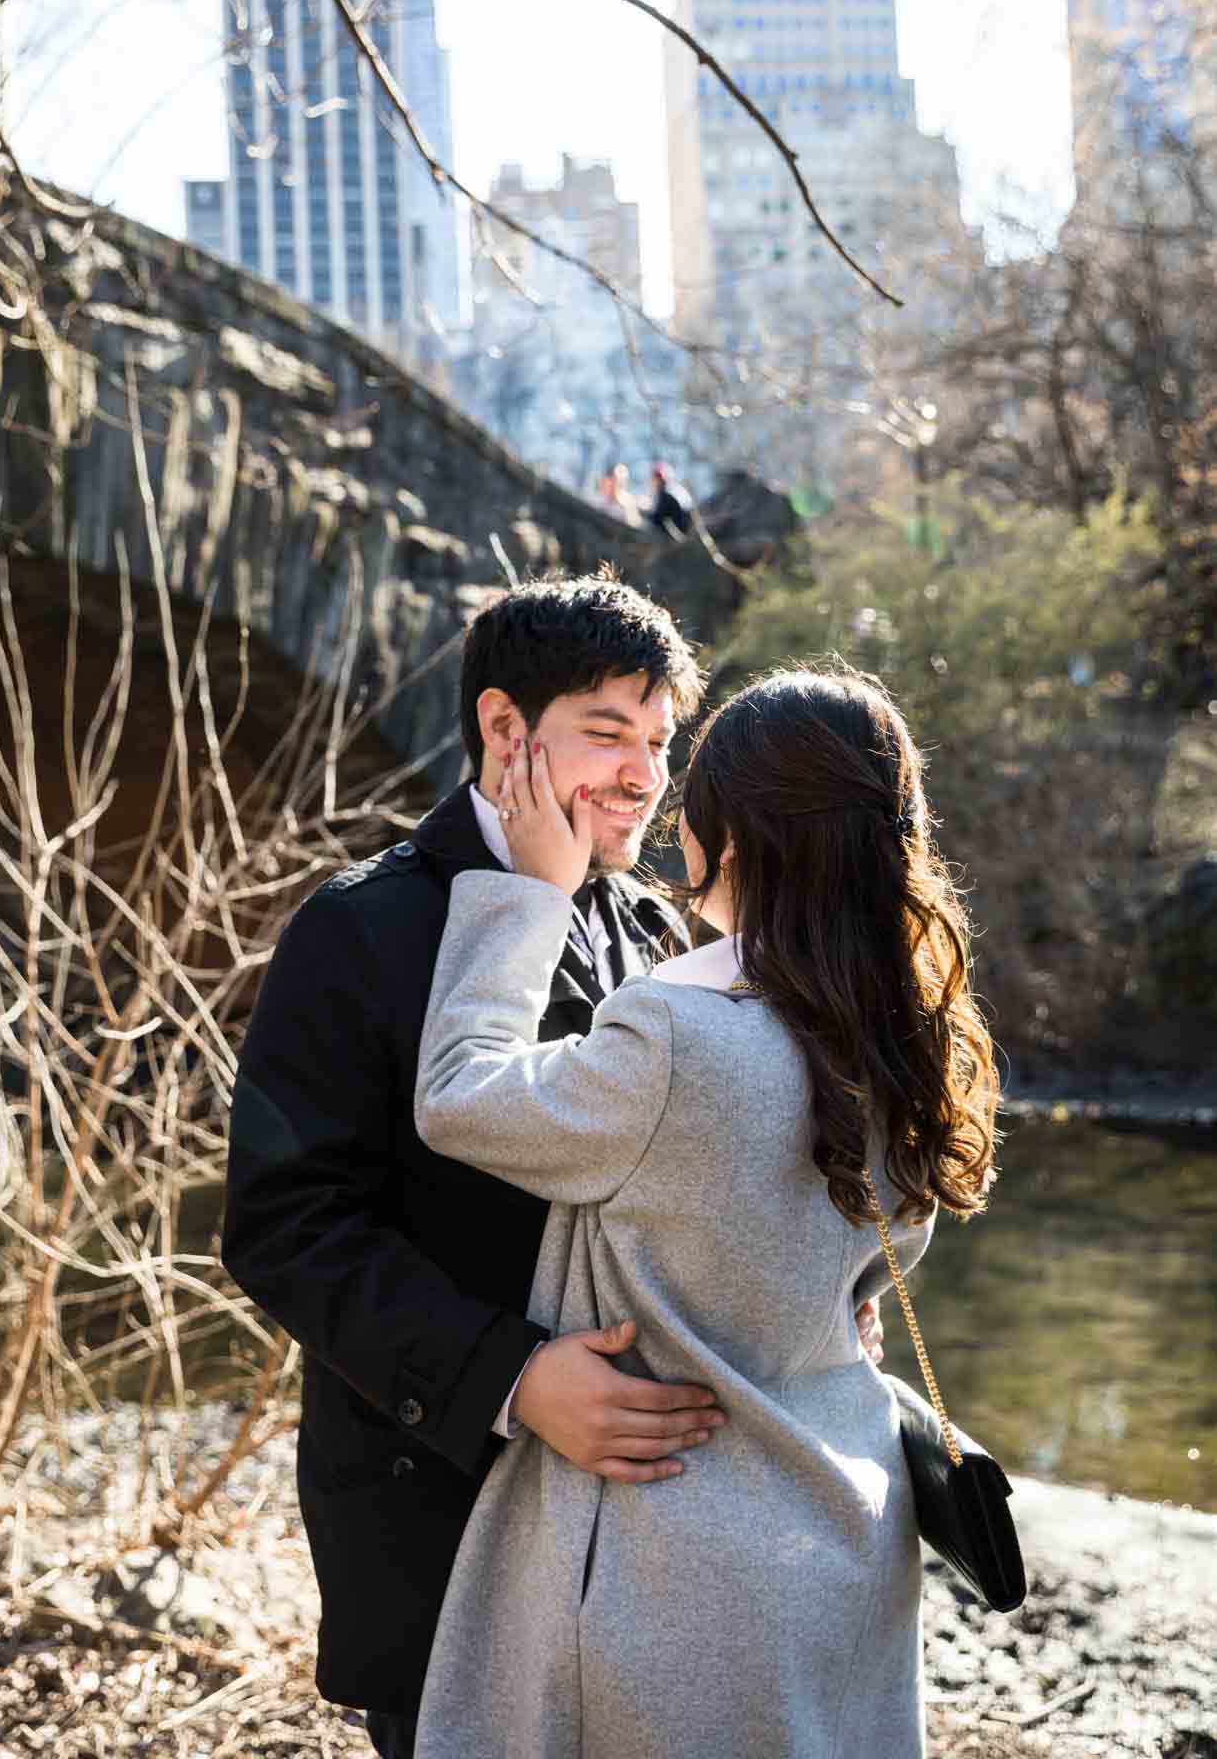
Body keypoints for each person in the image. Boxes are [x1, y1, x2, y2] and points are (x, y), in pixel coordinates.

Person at [413, 667, 1001, 1759]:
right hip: (846, 1530)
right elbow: (873, 1273)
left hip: (668, 1563)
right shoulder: (910, 1035)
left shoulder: (673, 1037)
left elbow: (458, 1096)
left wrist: (534, 894)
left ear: (726, 838)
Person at [222, 575, 726, 1759]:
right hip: (433, 1498)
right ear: (506, 729)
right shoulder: (358, 926)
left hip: (645, 1513)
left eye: (657, 740)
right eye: (607, 732)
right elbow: (285, 1226)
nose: (646, 776)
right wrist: (511, 1377)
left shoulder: (652, 926)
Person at [647, 460, 694, 539]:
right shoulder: (677, 489)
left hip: (679, 530)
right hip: (684, 529)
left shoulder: (667, 493)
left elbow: (657, 518)